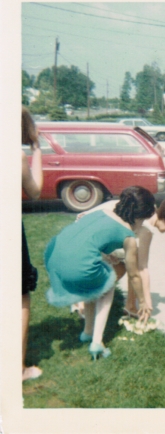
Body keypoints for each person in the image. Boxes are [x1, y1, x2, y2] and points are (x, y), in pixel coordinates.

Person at [45, 187, 165, 360]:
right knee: (108, 284)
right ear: (139, 216)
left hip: (55, 256)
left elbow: (91, 231)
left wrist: (107, 254)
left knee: (96, 284)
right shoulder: (129, 237)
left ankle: (87, 332)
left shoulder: (107, 210)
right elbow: (135, 273)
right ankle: (97, 342)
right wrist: (143, 301)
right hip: (77, 263)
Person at [72, 194, 165, 320]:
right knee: (130, 264)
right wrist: (147, 301)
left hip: (94, 233)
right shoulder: (146, 226)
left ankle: (129, 305)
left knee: (126, 266)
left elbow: (140, 267)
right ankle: (81, 299)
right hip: (87, 235)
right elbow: (142, 269)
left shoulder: (148, 219)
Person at [22, 106, 43, 381]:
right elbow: (36, 191)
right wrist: (37, 150)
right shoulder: (15, 155)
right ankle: (17, 369)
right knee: (18, 297)